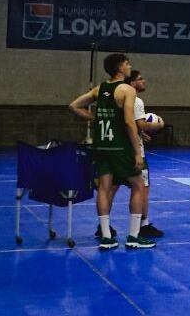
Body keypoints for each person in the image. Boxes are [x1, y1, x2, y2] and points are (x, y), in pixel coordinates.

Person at [69, 53, 156, 249]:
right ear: (120, 68)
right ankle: (134, 236)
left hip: (101, 145)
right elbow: (129, 122)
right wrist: (137, 151)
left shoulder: (100, 89)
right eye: (127, 64)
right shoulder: (127, 90)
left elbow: (73, 106)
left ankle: (107, 237)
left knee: (104, 187)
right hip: (120, 146)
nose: (129, 66)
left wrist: (95, 119)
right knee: (138, 185)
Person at [125, 70, 166, 237]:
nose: (144, 81)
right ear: (132, 83)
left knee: (110, 188)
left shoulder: (119, 100)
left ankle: (103, 227)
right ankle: (142, 226)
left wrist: (139, 132)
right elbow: (141, 124)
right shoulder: (136, 100)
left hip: (119, 149)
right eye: (140, 79)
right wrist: (159, 125)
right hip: (135, 151)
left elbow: (127, 124)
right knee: (142, 189)